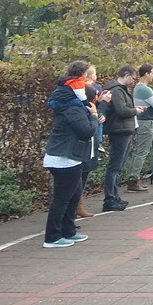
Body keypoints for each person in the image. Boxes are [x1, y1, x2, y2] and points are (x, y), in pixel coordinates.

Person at [43, 62, 99, 248]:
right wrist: (93, 116)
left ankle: (68, 231)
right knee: (62, 198)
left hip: (69, 157)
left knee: (73, 196)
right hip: (64, 158)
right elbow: (86, 131)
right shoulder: (72, 108)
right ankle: (52, 237)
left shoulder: (72, 105)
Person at [99, 65, 146, 212]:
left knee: (118, 166)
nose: (133, 81)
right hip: (119, 129)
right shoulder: (117, 90)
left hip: (124, 129)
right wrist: (135, 111)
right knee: (114, 166)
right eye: (132, 78)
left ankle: (114, 195)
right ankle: (110, 198)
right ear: (126, 75)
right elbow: (121, 110)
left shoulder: (120, 90)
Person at [124, 64, 153, 193]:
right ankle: (133, 179)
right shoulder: (145, 89)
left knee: (140, 151)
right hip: (146, 122)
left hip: (142, 121)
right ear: (146, 73)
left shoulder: (138, 88)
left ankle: (135, 178)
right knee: (142, 152)